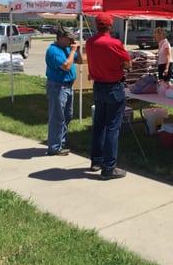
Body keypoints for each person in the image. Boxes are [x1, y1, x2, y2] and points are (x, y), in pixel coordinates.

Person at [86, 13, 132, 180]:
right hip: (113, 87)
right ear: (110, 26)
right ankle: (109, 167)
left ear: (97, 25)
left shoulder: (90, 42)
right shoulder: (115, 43)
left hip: (98, 86)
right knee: (112, 127)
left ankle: (96, 161)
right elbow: (128, 64)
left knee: (99, 125)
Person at [45, 26, 82, 156]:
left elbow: (80, 61)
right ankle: (54, 147)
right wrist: (72, 52)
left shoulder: (67, 48)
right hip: (57, 86)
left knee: (67, 115)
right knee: (57, 117)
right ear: (61, 38)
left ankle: (61, 142)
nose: (71, 41)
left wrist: (78, 50)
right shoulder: (53, 51)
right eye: (69, 38)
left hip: (68, 85)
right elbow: (66, 66)